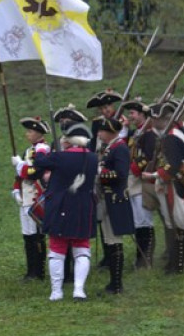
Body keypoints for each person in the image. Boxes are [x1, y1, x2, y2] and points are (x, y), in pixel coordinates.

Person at [32, 122, 98, 301]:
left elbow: (39, 162)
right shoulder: (93, 158)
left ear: (69, 140)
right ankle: (79, 289)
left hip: (60, 205)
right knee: (81, 248)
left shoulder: (60, 157)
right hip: (84, 206)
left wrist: (41, 149)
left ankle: (56, 291)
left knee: (57, 248)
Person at [143, 100, 184, 275]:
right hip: (176, 181)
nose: (151, 121)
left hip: (174, 183)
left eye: (154, 118)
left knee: (175, 222)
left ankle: (176, 264)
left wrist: (156, 176)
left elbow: (172, 165)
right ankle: (175, 262)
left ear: (162, 119)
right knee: (174, 222)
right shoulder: (177, 132)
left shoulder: (172, 137)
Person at [94, 117, 134, 294]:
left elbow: (120, 173)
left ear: (111, 132)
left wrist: (99, 172)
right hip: (107, 199)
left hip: (115, 199)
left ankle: (116, 284)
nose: (99, 134)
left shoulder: (120, 148)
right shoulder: (111, 148)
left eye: (102, 131)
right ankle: (114, 283)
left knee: (114, 241)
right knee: (110, 241)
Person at [11, 117, 51, 281]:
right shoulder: (29, 150)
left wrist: (20, 165)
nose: (27, 134)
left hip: (35, 196)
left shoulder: (43, 149)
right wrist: (15, 190)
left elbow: (35, 171)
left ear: (38, 133)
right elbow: (20, 177)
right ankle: (31, 270)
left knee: (36, 235)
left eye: (30, 131)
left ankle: (38, 271)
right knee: (27, 235)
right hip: (25, 196)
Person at [125, 98, 158, 269]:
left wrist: (133, 167)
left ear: (142, 115)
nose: (130, 116)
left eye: (132, 113)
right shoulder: (135, 133)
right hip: (134, 181)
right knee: (138, 221)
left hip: (142, 180)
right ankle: (141, 257)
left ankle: (146, 258)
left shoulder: (149, 134)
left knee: (144, 221)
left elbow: (148, 156)